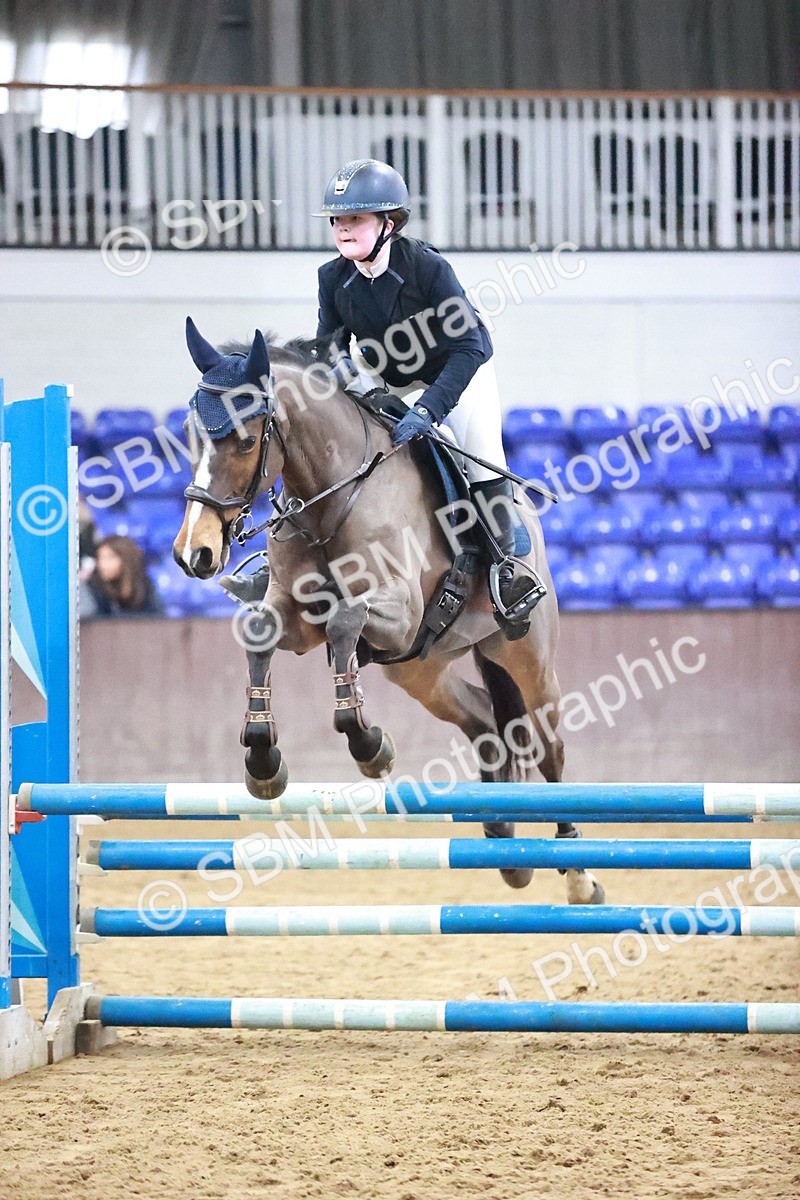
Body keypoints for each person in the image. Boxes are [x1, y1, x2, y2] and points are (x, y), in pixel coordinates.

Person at [313, 158, 544, 635]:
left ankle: (507, 570)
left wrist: (429, 409)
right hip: (388, 376)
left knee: (480, 457)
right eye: (337, 219)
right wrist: (343, 373)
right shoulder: (332, 278)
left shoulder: (428, 269)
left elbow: (472, 345)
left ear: (389, 222)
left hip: (455, 372)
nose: (341, 228)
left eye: (354, 218)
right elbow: (330, 343)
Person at [82, 535, 163, 619]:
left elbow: (156, 620)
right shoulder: (94, 587)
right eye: (100, 558)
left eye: (110, 558)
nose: (102, 564)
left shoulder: (144, 587)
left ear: (126, 559)